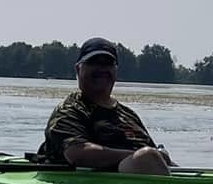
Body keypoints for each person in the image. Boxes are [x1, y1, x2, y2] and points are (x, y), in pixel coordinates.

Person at [38, 38, 172, 172]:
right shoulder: (70, 110)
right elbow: (77, 153)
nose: (101, 69)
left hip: (146, 181)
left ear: (115, 70)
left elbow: (159, 159)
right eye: (94, 62)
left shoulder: (129, 115)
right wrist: (138, 157)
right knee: (146, 156)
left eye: (108, 63)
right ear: (78, 69)